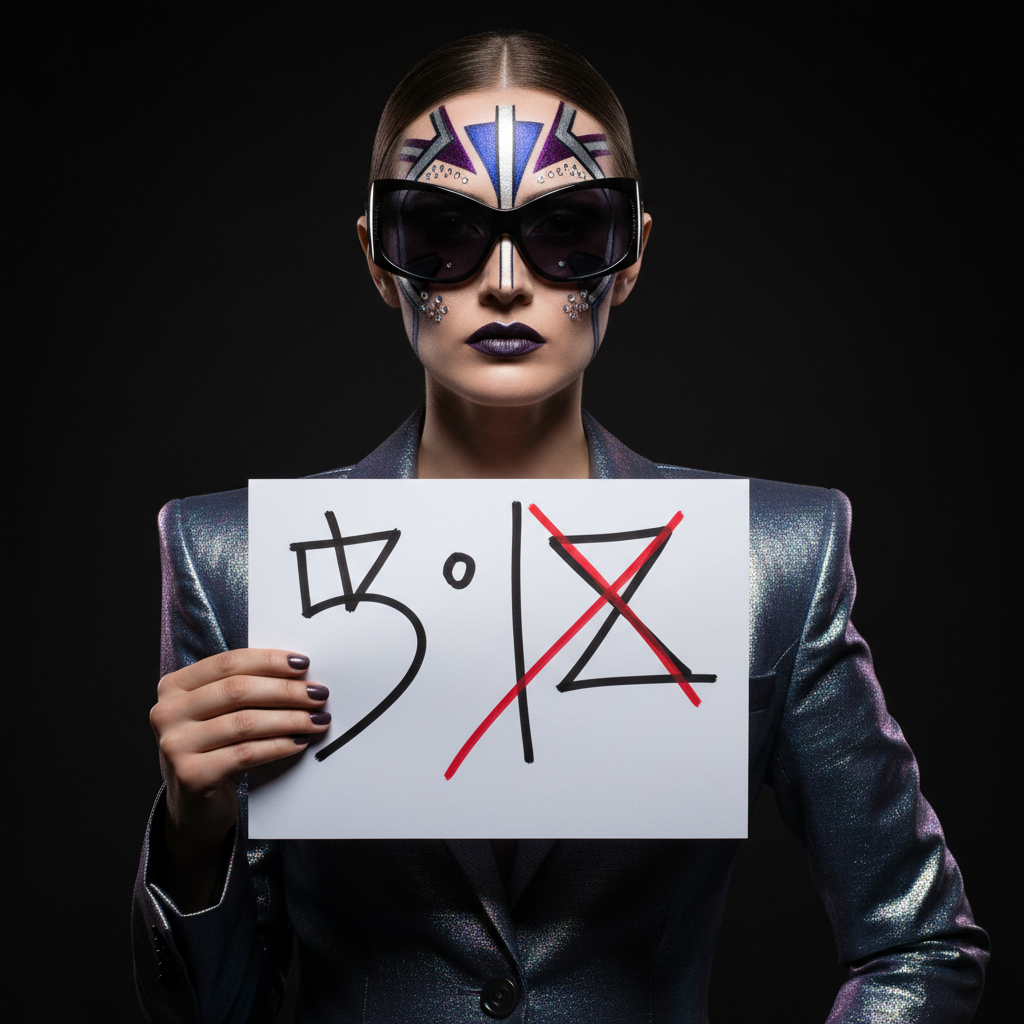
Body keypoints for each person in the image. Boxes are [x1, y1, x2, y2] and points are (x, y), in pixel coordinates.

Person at [132, 30, 988, 1023]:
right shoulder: (234, 562)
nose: (503, 280)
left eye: (568, 230)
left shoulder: (768, 562)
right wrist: (194, 837)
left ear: (629, 259)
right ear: (375, 255)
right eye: (442, 234)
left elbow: (919, 942)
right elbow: (217, 1011)